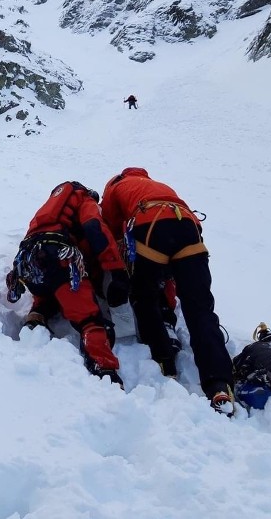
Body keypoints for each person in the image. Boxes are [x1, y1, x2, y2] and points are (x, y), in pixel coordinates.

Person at [98, 167, 234, 413]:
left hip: (150, 227)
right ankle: (219, 383)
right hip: (188, 229)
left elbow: (111, 229)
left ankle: (164, 360)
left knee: (145, 297)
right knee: (200, 309)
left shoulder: (116, 186)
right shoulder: (157, 185)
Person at [6, 181, 132, 385]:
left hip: (29, 263)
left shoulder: (50, 208)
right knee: (88, 316)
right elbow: (95, 228)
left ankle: (37, 316)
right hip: (61, 259)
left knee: (49, 293)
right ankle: (104, 368)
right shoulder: (83, 199)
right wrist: (117, 270)